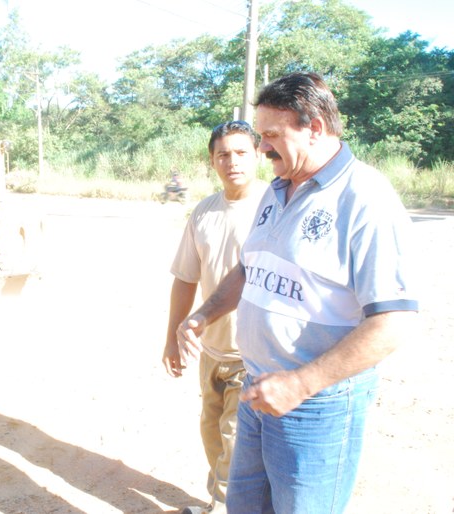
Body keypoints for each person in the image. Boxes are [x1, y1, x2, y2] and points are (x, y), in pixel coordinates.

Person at [177, 72, 419, 514]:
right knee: (245, 506)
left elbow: (393, 321)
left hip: (316, 406)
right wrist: (204, 314)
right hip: (257, 391)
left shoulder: (365, 198)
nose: (262, 147)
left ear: (315, 128)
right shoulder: (276, 189)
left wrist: (301, 384)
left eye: (271, 135)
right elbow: (251, 267)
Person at [162, 120, 267, 514]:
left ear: (258, 155)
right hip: (211, 352)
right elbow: (184, 279)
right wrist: (173, 337)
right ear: (212, 160)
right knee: (213, 439)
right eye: (223, 154)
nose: (232, 161)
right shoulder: (204, 211)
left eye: (241, 152)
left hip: (252, 355)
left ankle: (223, 508)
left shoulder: (272, 208)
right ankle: (221, 502)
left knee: (236, 446)